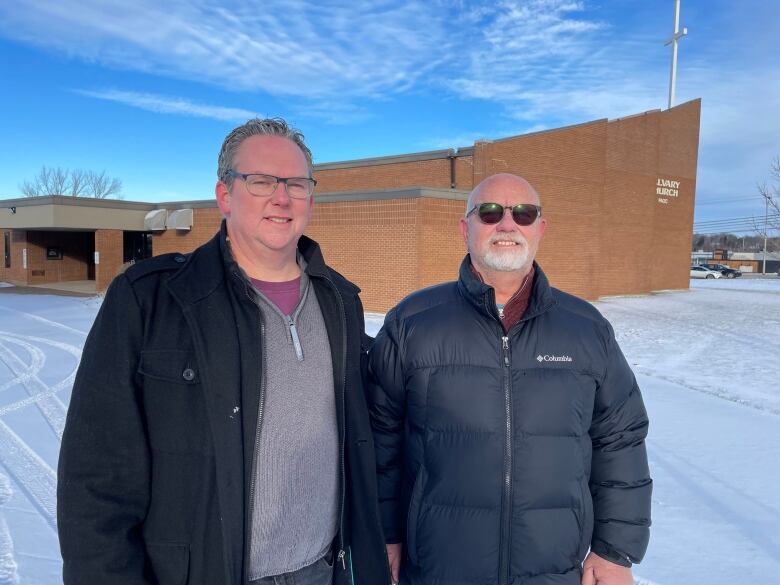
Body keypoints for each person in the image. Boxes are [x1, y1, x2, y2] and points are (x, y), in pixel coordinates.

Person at [58, 118, 389, 585]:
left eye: (296, 182)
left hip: (322, 570)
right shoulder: (151, 302)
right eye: (260, 181)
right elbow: (96, 482)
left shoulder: (340, 302)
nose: (281, 196)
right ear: (224, 195)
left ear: (311, 197)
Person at [368, 173, 651, 585]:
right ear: (466, 228)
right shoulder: (413, 322)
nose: (507, 224)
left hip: (553, 570)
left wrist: (615, 551)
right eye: (490, 212)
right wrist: (385, 534)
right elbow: (379, 438)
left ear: (540, 228)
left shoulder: (586, 329)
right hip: (438, 568)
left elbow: (620, 437)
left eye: (523, 213)